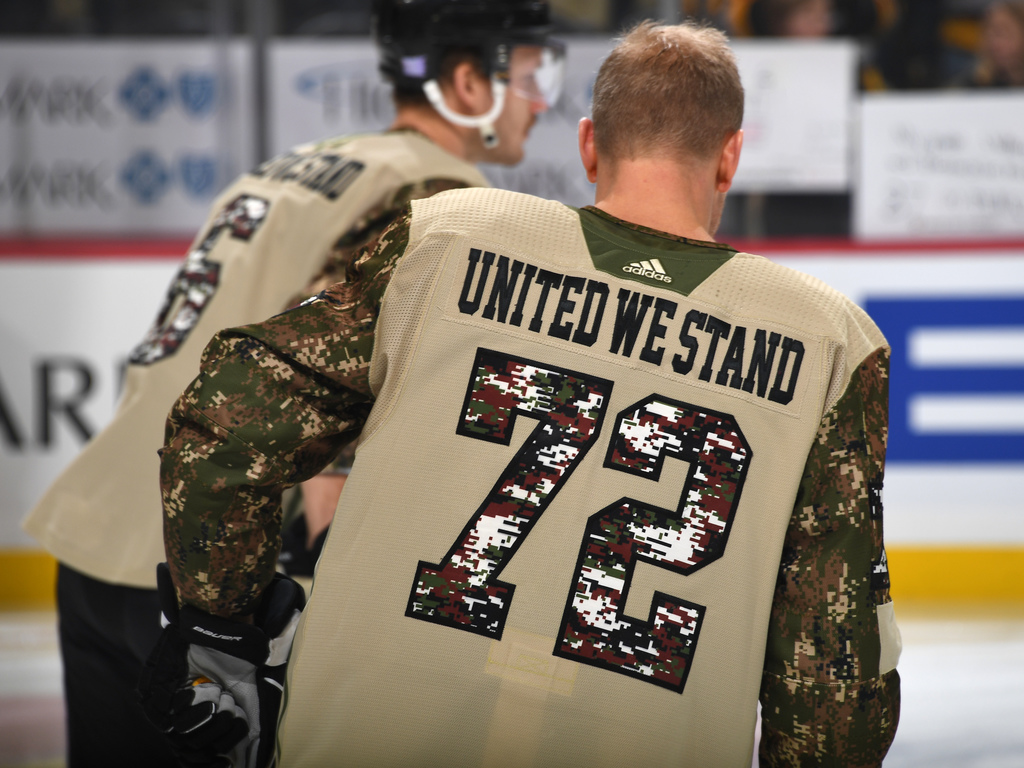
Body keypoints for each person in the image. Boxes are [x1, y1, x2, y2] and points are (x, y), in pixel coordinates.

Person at [145, 20, 901, 767]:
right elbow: (833, 665)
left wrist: (225, 634)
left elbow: (223, 431)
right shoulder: (830, 341)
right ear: (730, 156)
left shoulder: (445, 238)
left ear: (587, 145)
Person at [21, 1, 564, 765]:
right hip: (199, 569)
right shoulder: (437, 196)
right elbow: (324, 404)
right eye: (535, 74)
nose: (543, 101)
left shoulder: (295, 164)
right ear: (468, 82)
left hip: (97, 539)